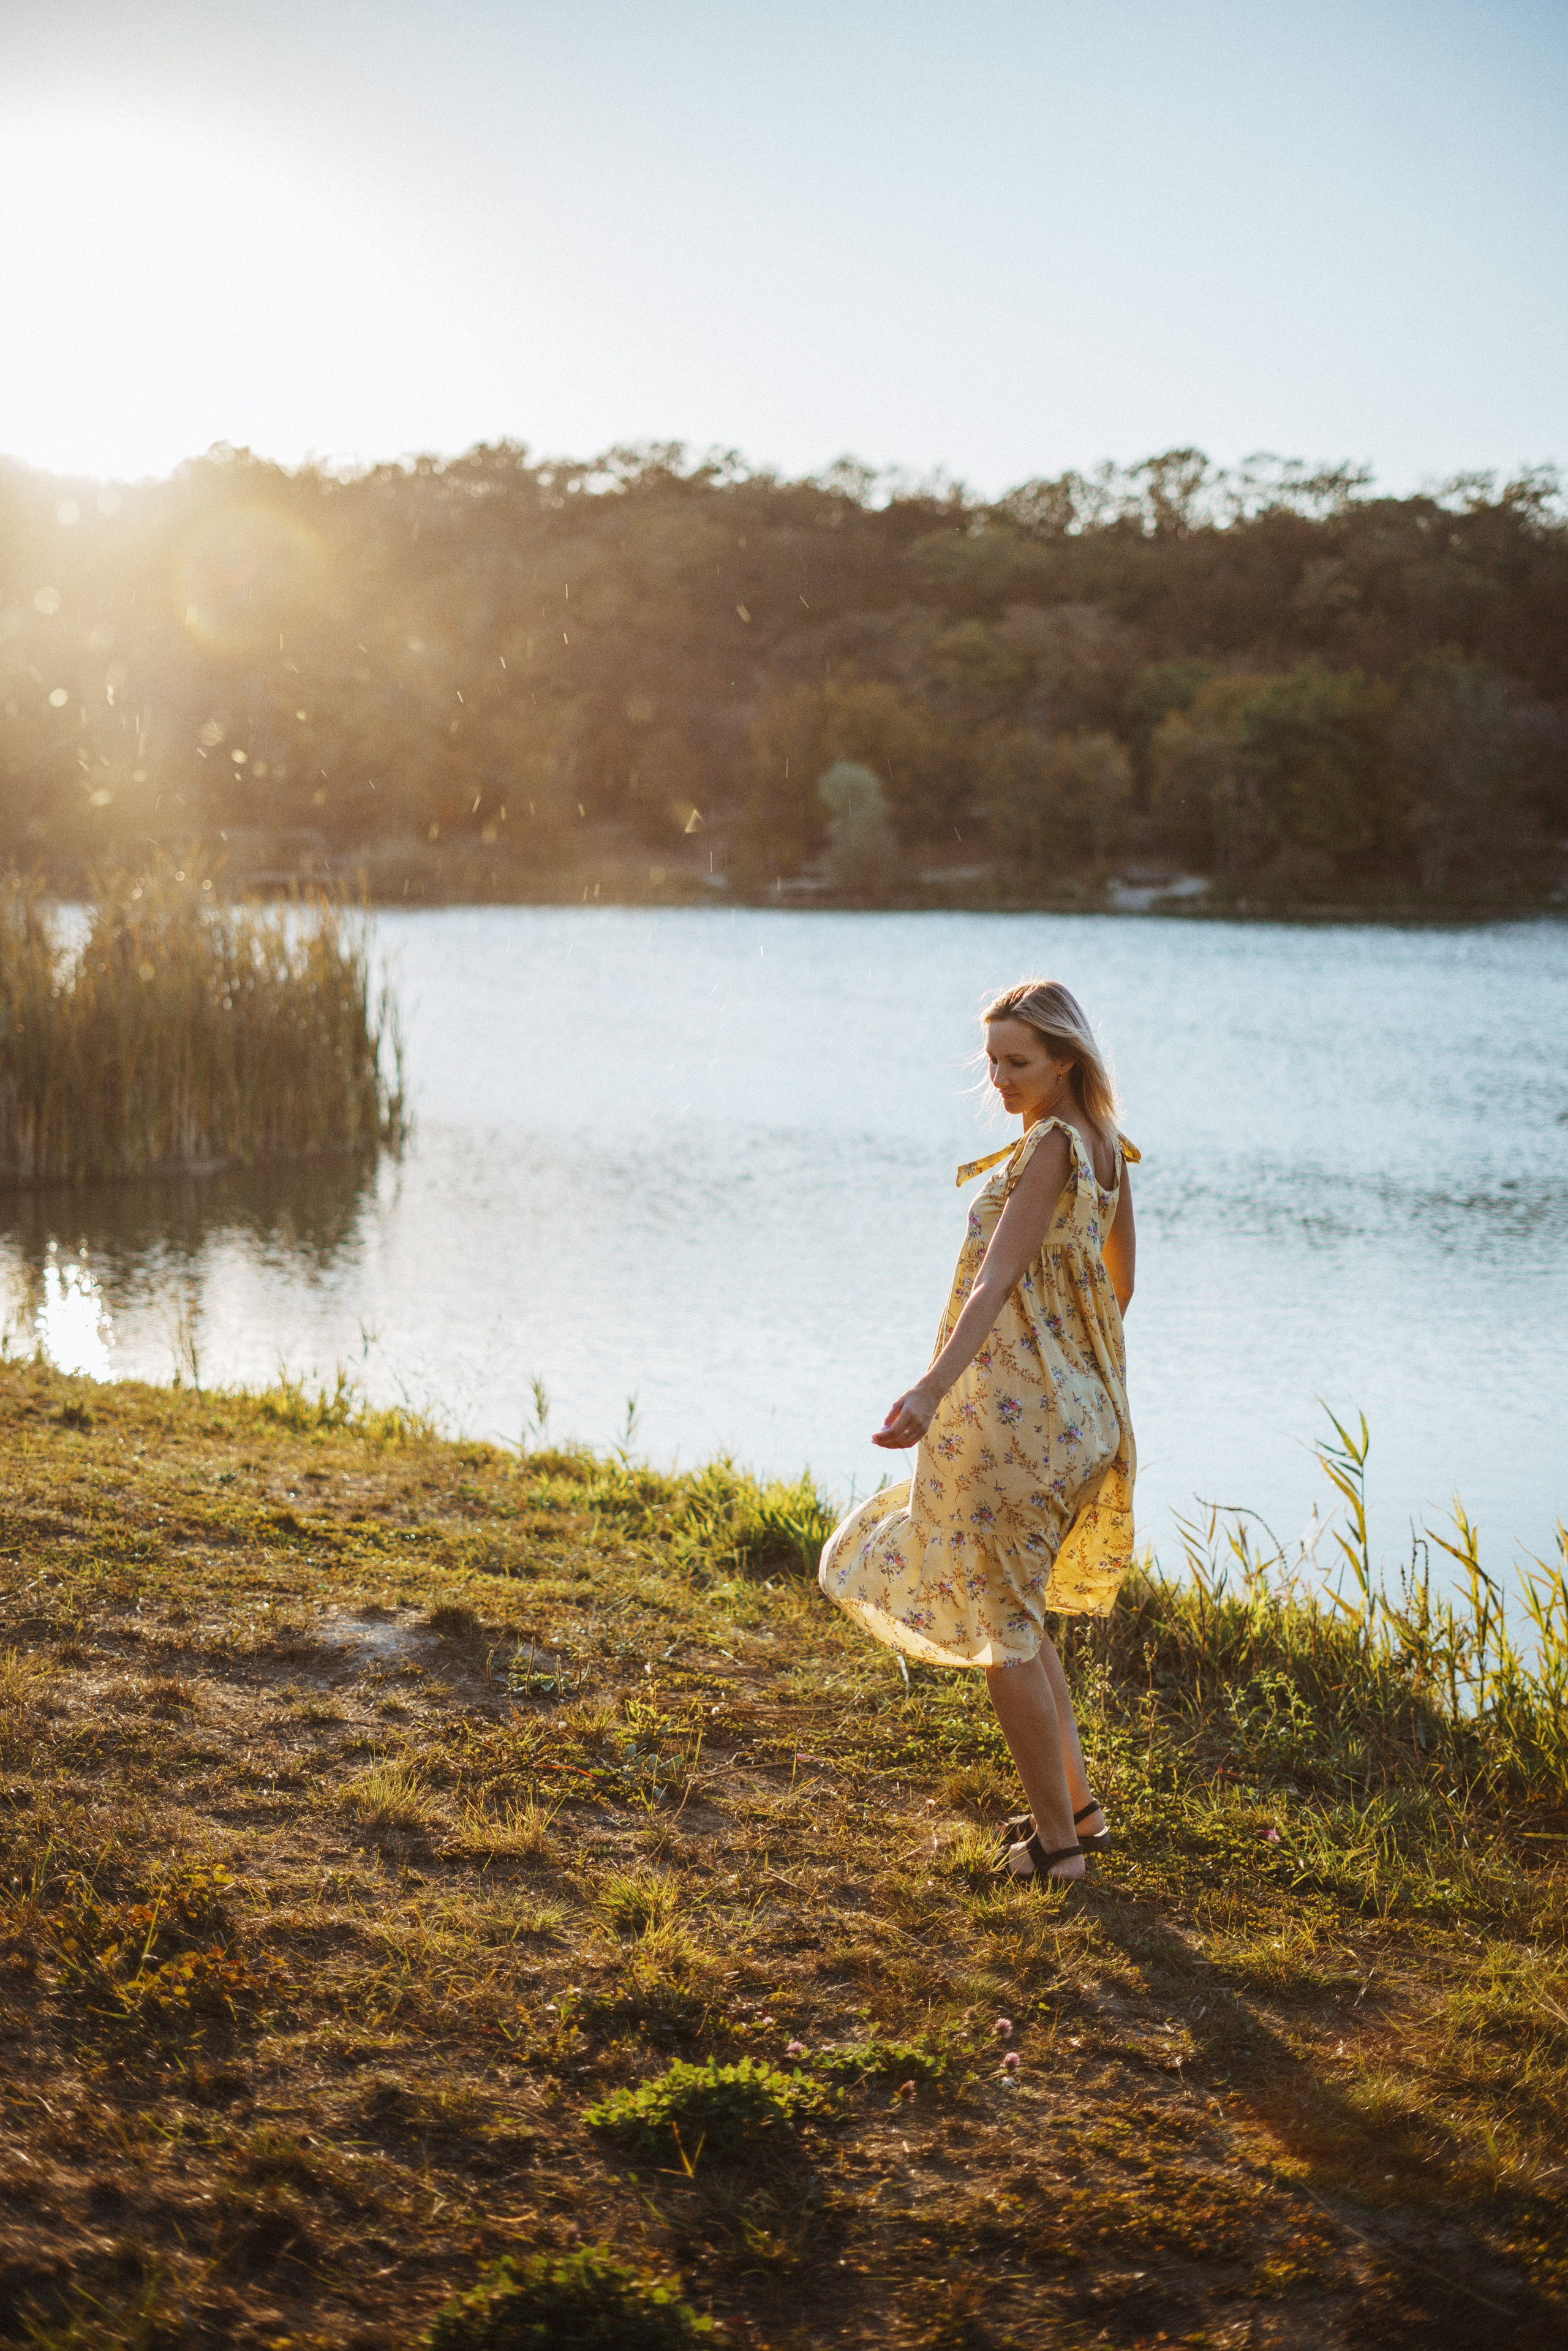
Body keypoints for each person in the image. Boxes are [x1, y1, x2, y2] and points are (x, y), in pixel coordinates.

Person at [818, 977, 1138, 1885]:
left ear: (1065, 1060)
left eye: (1017, 1061)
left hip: (1012, 1417)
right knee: (1020, 1617)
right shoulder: (1109, 1148)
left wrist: (930, 1390)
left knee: (1004, 1634)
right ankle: (1077, 1809)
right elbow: (1119, 1287)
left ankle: (1058, 1851)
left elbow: (996, 1279)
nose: (998, 1078)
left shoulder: (1049, 1145)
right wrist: (1068, 1368)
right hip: (1080, 1413)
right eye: (991, 1060)